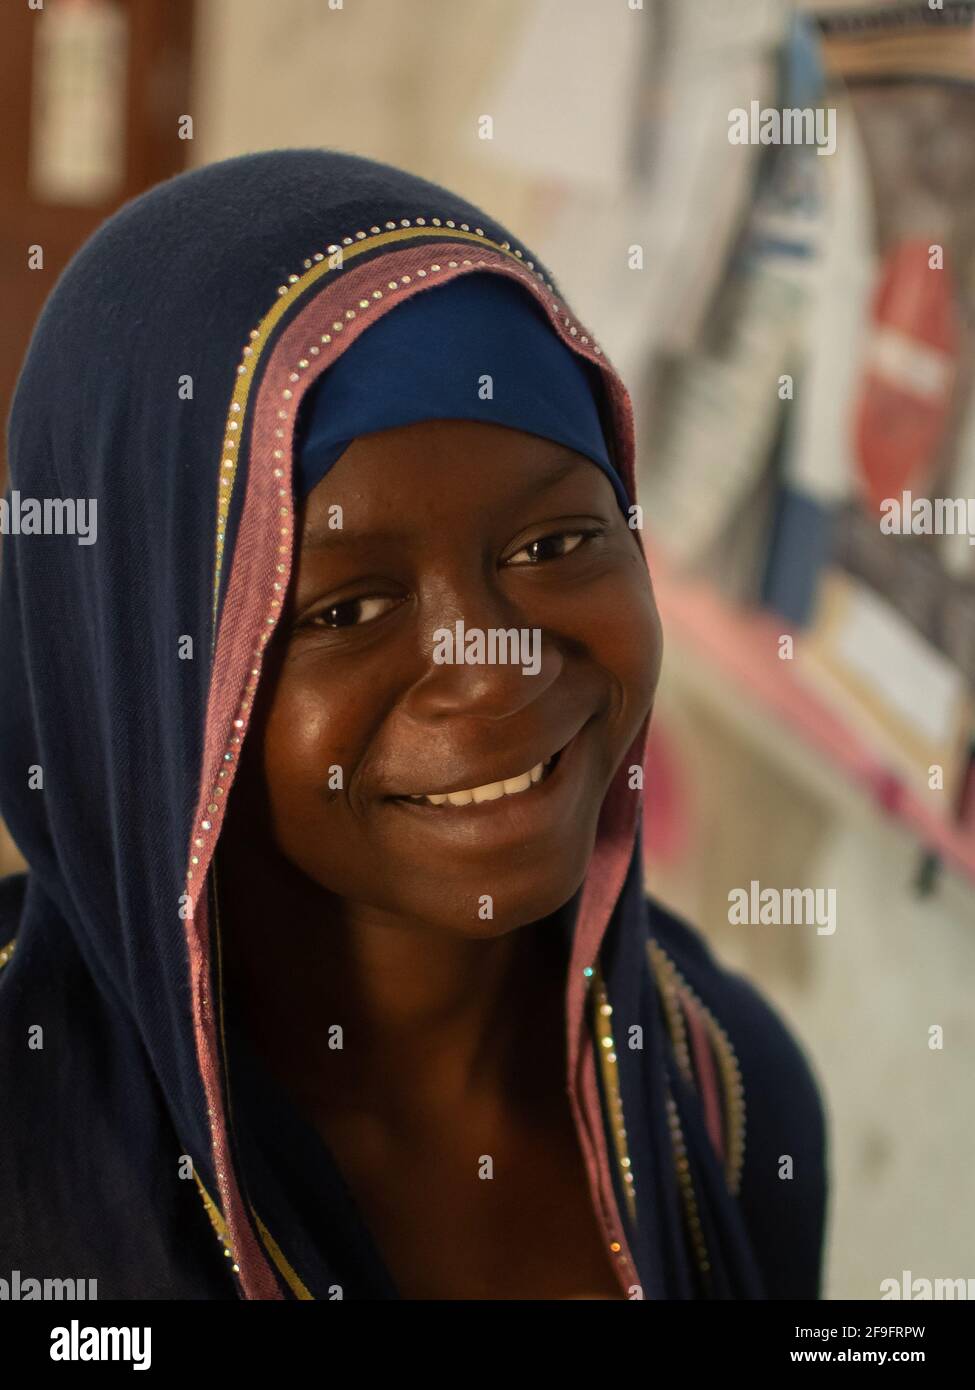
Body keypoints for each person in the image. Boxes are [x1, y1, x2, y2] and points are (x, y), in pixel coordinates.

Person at [0, 149, 828, 1299]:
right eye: (346, 607)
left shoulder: (718, 1098)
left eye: (552, 545)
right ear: (143, 676)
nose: (490, 668)